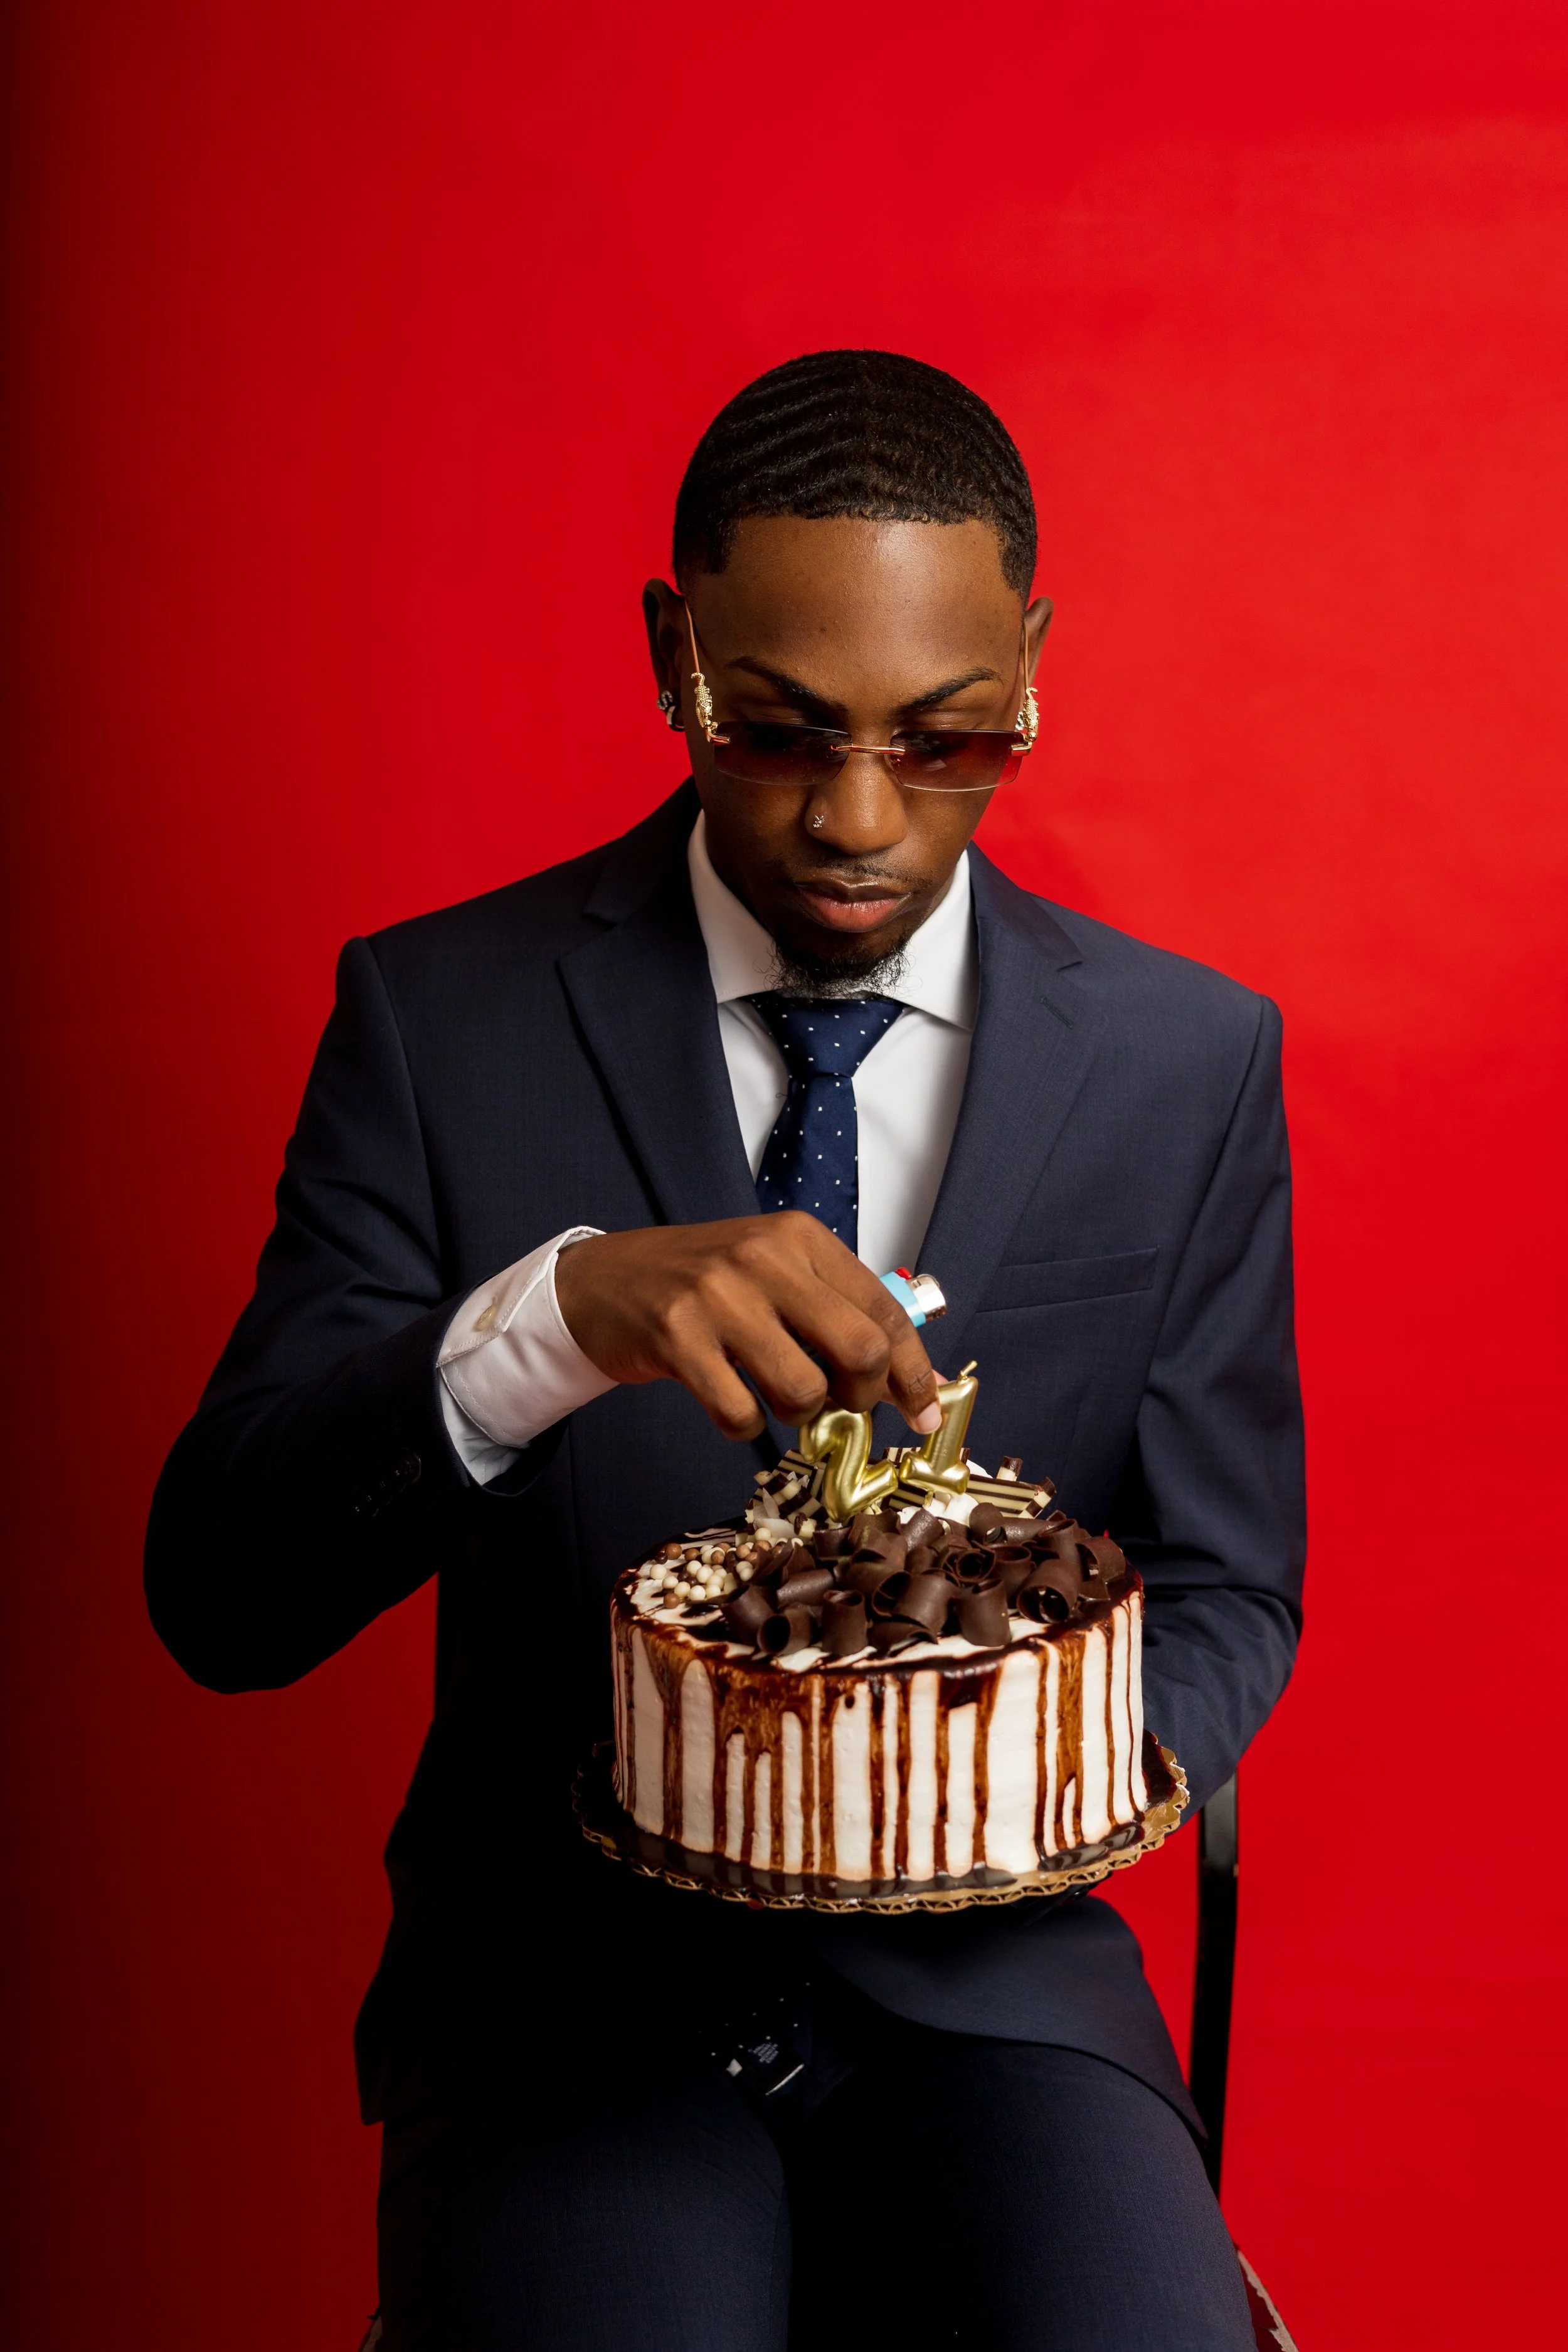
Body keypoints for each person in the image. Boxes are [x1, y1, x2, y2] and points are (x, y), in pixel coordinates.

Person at [146, 349, 1303, 2350]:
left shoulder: (1188, 1060)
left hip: (1003, 1985)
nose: (857, 820)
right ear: (671, 652)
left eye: (943, 743)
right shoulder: (440, 1021)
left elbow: (1227, 1578)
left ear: (1029, 665)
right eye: (775, 732)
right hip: (561, 1993)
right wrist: (547, 1319)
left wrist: (1019, 1776)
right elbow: (223, 1590)